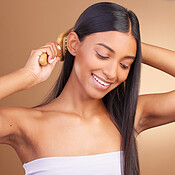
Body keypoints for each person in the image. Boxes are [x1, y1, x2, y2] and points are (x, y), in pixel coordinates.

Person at [0, 2, 174, 175]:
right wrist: (27, 76)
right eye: (103, 55)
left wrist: (133, 46)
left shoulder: (128, 117)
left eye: (124, 64)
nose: (112, 73)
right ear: (74, 44)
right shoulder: (24, 124)